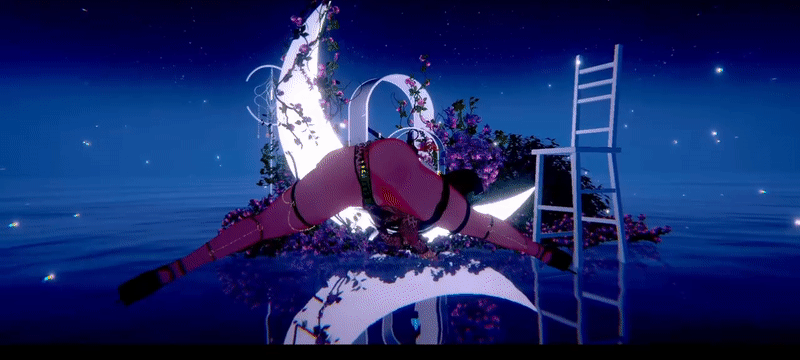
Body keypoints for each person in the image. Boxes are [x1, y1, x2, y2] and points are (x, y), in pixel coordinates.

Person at [118, 137, 573, 306]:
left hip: (347, 165)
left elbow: (401, 226)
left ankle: (176, 268)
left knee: (261, 225)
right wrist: (420, 248)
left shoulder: (425, 184)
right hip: (372, 180)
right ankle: (545, 253)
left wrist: (406, 237)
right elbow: (486, 229)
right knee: (481, 227)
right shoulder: (440, 204)